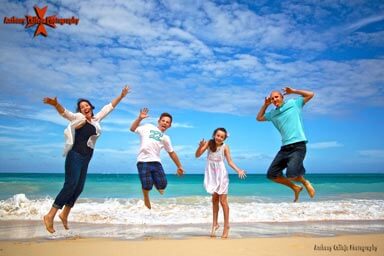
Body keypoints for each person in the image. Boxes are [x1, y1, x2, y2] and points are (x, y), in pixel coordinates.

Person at [42, 85, 130, 233]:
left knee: (79, 187)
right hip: (75, 155)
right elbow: (65, 113)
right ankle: (50, 215)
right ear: (80, 110)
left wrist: (121, 96)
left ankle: (65, 214)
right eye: (82, 107)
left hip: (86, 157)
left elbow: (109, 107)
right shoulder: (79, 117)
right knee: (70, 184)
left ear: (91, 107)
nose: (84, 108)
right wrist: (56, 104)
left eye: (86, 105)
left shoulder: (96, 120)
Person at [256, 86, 315, 202]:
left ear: (282, 97)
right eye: (272, 99)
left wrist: (294, 91)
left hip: (298, 146)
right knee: (271, 175)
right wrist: (265, 105)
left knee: (291, 174)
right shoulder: (272, 114)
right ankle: (295, 188)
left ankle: (304, 182)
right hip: (284, 148)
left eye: (276, 97)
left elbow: (311, 94)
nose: (274, 100)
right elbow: (259, 118)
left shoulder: (294, 103)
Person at [195, 128, 246, 239]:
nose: (219, 138)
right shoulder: (209, 143)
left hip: (221, 175)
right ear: (214, 135)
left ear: (224, 138)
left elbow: (230, 161)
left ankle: (226, 226)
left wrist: (238, 170)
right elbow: (197, 155)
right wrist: (200, 146)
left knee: (223, 201)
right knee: (214, 200)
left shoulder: (225, 147)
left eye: (222, 137)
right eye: (218, 135)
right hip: (211, 175)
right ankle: (215, 224)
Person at [130, 108, 184, 209]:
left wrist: (179, 166)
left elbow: (172, 153)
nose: (165, 123)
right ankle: (146, 197)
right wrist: (139, 118)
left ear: (170, 125)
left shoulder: (166, 138)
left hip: (156, 162)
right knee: (147, 185)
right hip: (143, 161)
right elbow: (132, 129)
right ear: (158, 121)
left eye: (167, 122)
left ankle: (154, 182)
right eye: (163, 121)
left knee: (163, 186)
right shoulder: (148, 127)